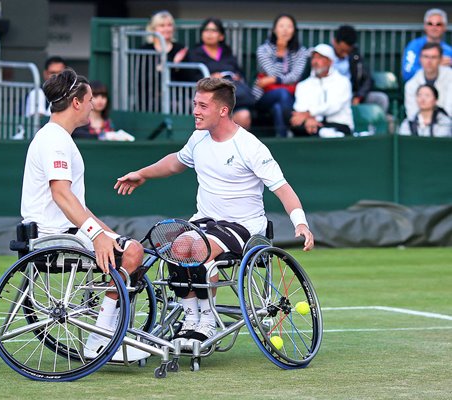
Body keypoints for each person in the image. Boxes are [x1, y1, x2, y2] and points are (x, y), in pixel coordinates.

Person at [115, 77, 314, 347]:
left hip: (243, 226)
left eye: (203, 105)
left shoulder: (250, 146)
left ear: (222, 110)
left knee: (197, 249)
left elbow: (282, 188)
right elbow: (175, 162)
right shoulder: (198, 138)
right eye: (195, 104)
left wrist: (300, 223)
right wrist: (142, 174)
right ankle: (189, 320)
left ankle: (207, 322)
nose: (195, 111)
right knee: (175, 247)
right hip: (204, 222)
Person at [20, 67, 148, 362]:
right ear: (76, 102)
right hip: (54, 237)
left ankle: (110, 333)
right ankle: (100, 341)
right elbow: (61, 195)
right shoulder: (55, 140)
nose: (93, 105)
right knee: (132, 252)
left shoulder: (58, 137)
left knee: (128, 247)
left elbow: (75, 203)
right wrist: (97, 236)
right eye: (89, 99)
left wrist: (107, 233)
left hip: (61, 231)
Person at [187, 17, 254, 129]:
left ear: (221, 36)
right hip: (209, 99)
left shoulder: (227, 51)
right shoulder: (194, 53)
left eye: (214, 30)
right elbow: (190, 77)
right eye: (206, 30)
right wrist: (210, 78)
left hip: (231, 96)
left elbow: (239, 72)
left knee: (244, 116)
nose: (209, 34)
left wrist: (237, 77)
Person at [252, 14, 308, 137]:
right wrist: (280, 53)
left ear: (294, 30)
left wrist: (274, 80)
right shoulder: (264, 50)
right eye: (281, 26)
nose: (285, 30)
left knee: (278, 107)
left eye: (289, 26)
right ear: (274, 30)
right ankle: (293, 127)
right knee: (282, 93)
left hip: (292, 95)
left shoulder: (301, 51)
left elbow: (295, 76)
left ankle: (282, 137)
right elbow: (273, 72)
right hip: (264, 96)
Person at [290, 44, 354, 137]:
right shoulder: (302, 85)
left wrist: (309, 113)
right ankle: (322, 132)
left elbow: (334, 106)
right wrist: (308, 119)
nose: (315, 61)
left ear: (330, 62)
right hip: (312, 124)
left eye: (320, 58)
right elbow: (300, 108)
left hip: (339, 125)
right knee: (290, 117)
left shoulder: (343, 82)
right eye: (314, 58)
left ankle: (323, 132)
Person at [331, 25, 389, 113]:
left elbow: (368, 79)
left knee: (381, 99)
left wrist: (359, 96)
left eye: (348, 51)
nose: (345, 54)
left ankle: (377, 126)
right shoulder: (325, 55)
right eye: (342, 51)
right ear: (334, 42)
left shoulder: (355, 56)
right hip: (330, 96)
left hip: (351, 95)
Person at [402, 8, 452, 82]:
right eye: (430, 24)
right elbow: (407, 73)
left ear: (444, 27)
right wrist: (436, 67)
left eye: (438, 24)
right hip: (418, 90)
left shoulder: (449, 51)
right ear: (425, 26)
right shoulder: (414, 46)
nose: (434, 27)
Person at [404, 42, 452, 119]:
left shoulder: (450, 77)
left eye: (433, 57)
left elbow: (450, 110)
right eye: (426, 57)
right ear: (420, 59)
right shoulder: (411, 84)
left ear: (440, 60)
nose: (429, 61)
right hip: (420, 127)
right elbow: (412, 114)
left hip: (447, 125)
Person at [141, 10, 188, 80]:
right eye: (162, 26)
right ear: (153, 29)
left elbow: (187, 77)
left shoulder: (180, 49)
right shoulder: (145, 50)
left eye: (169, 25)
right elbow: (143, 79)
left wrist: (177, 66)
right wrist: (172, 64)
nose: (166, 29)